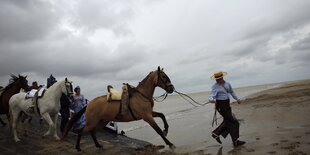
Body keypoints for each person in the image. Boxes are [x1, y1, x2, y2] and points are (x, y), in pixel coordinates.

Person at [208, 70, 245, 147]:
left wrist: (237, 99)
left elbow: (231, 92)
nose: (218, 80)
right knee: (234, 122)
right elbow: (211, 96)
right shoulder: (215, 86)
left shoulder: (227, 84)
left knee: (228, 122)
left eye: (219, 78)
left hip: (227, 104)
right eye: (217, 79)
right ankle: (235, 141)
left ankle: (216, 134)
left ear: (222, 77)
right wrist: (211, 99)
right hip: (221, 106)